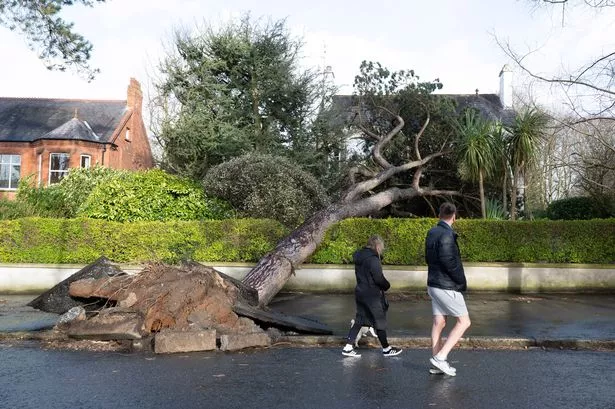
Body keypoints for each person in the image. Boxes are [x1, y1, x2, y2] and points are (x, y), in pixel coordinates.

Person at [425, 202, 471, 376]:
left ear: (439, 214)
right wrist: (461, 282)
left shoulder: (432, 232)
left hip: (433, 284)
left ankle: (436, 360)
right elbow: (450, 263)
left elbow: (428, 258)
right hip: (446, 286)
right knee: (464, 322)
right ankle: (440, 358)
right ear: (454, 216)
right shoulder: (447, 235)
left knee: (439, 322)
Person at [342, 235, 402, 357]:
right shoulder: (373, 259)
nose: (382, 250)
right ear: (377, 246)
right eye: (381, 247)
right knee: (379, 320)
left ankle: (347, 347)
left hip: (360, 291)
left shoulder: (360, 257)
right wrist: (387, 285)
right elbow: (378, 278)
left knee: (360, 320)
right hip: (372, 295)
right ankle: (386, 349)